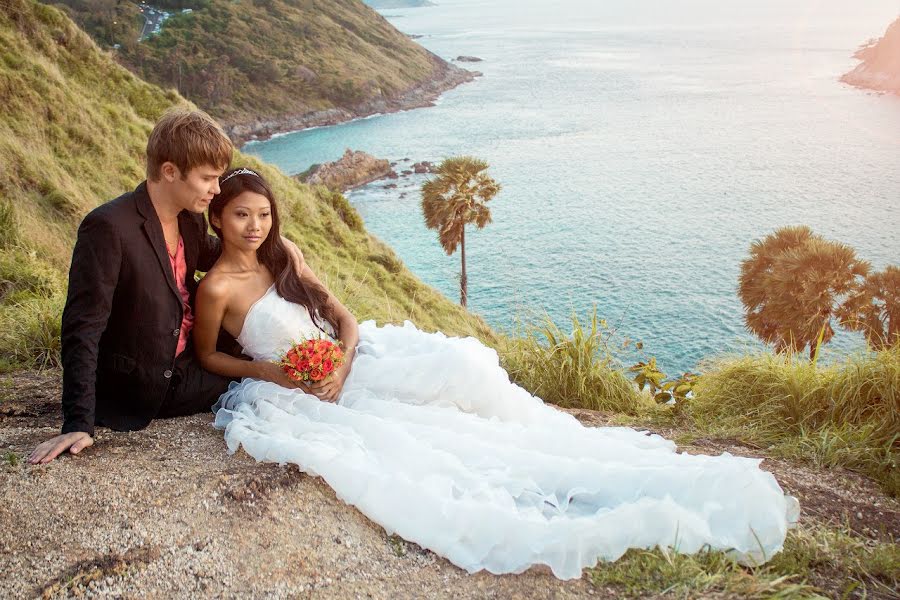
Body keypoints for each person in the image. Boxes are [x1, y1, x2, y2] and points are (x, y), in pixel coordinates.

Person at [195, 168, 800, 580]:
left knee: (465, 363)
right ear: (218, 217)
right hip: (300, 388)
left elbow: (345, 319)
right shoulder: (217, 289)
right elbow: (208, 358)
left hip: (354, 362)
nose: (256, 226)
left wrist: (345, 359)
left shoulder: (287, 255)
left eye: (265, 214)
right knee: (442, 442)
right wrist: (274, 372)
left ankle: (544, 434)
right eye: (242, 215)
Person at [27, 109, 305, 465]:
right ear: (170, 171)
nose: (217, 190)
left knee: (283, 361)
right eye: (208, 178)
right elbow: (83, 326)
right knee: (270, 388)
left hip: (190, 356)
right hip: (151, 382)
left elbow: (212, 251)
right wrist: (78, 421)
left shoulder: (187, 218)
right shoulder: (108, 227)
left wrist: (275, 249)